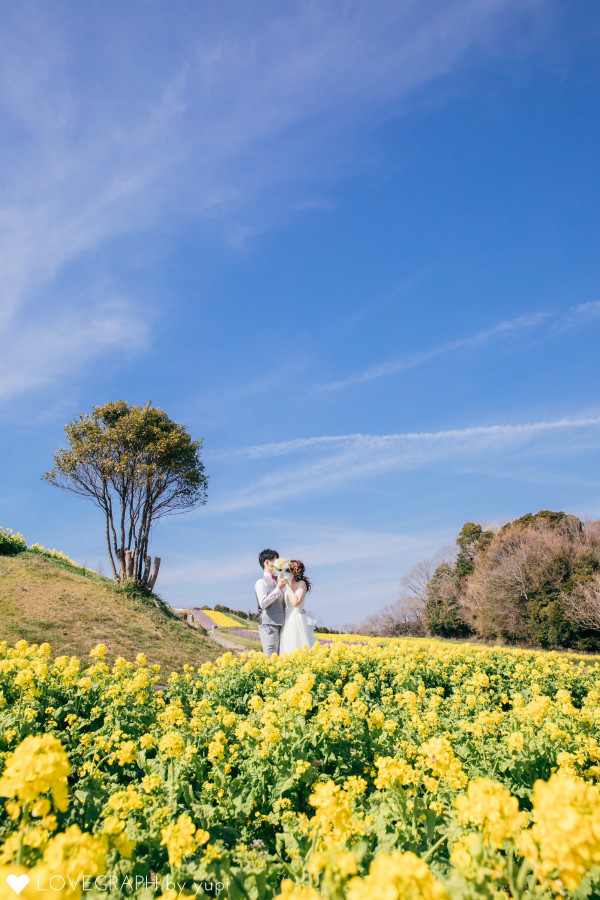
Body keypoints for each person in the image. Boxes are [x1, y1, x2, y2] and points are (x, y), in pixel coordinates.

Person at [278, 559, 316, 655]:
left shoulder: (301, 584)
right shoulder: (289, 585)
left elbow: (295, 602)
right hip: (286, 619)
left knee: (296, 647)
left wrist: (287, 584)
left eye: (287, 570)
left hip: (295, 619)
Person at [255, 548, 287, 658]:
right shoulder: (261, 582)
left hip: (279, 623)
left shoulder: (276, 581)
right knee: (270, 657)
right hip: (268, 625)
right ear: (267, 562)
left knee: (278, 657)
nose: (278, 565)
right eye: (276, 562)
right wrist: (278, 589)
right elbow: (263, 603)